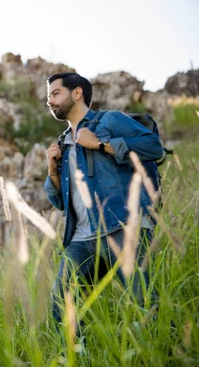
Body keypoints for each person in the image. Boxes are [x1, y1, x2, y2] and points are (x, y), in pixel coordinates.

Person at [43, 73, 163, 335]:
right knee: (61, 304)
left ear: (77, 93)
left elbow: (154, 147)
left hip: (122, 226)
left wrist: (100, 144)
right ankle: (77, 358)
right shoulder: (62, 142)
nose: (49, 100)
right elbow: (60, 202)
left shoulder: (108, 120)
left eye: (55, 93)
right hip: (81, 239)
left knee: (144, 306)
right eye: (48, 96)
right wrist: (52, 172)